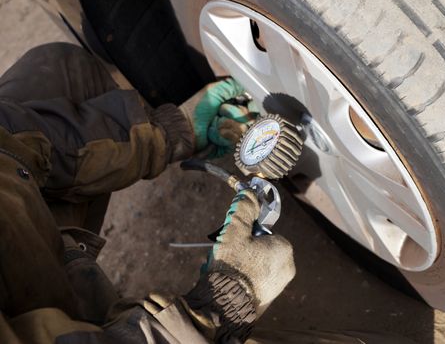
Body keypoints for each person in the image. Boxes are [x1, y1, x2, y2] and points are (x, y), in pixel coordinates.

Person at [0, 42, 296, 344]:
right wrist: (225, 299)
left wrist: (168, 134)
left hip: (23, 234)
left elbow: (10, 146)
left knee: (63, 71)